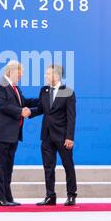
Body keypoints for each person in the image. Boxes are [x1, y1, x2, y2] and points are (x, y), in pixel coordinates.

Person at [0, 60, 37, 206]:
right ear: (10, 71)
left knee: (8, 167)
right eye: (19, 73)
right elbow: (2, 106)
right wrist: (21, 111)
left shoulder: (15, 87)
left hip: (12, 134)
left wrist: (43, 101)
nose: (21, 76)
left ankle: (7, 197)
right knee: (0, 166)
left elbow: (24, 102)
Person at [30, 64, 77, 206]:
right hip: (46, 135)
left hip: (63, 136)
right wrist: (28, 113)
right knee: (48, 166)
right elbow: (40, 109)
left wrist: (70, 137)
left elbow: (71, 117)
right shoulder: (44, 90)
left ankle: (71, 195)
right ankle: (50, 196)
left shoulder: (67, 92)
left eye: (48, 74)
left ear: (56, 75)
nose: (46, 76)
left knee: (67, 165)